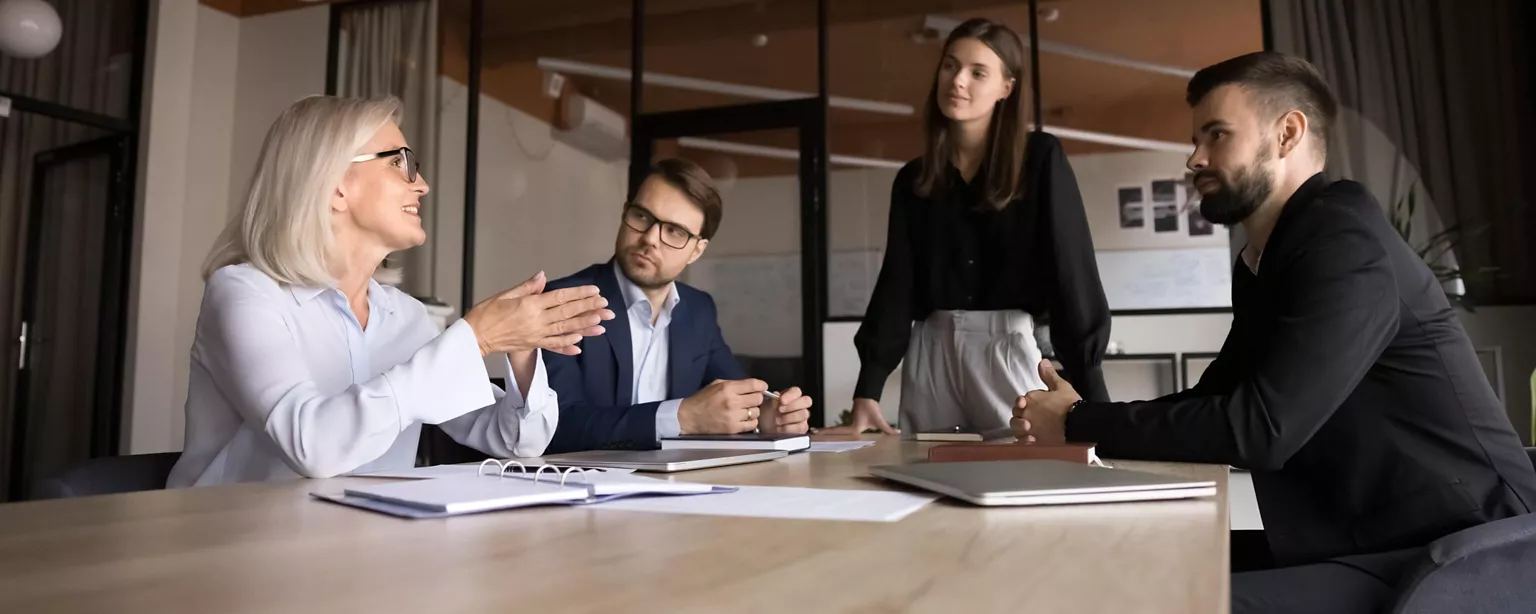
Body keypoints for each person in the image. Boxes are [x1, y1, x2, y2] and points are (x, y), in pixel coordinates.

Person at [1013, 52, 1536, 613]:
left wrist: (1075, 421)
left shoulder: (1343, 240)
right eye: (1195, 138)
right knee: (1143, 562)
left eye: (1216, 135)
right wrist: (1081, 425)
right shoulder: (1268, 258)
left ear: (1287, 133)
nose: (1195, 158)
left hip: (1460, 550)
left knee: (1176, 600)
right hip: (1362, 532)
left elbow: (1260, 428)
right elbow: (1215, 400)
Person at [167, 96, 614, 487]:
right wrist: (475, 339)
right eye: (399, 162)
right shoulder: (245, 293)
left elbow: (518, 442)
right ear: (336, 186)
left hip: (366, 555)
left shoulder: (406, 317)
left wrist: (519, 351)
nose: (421, 184)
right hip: (231, 560)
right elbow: (313, 446)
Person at [822, 17, 1109, 438]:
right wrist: (869, 388)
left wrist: (1093, 394)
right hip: (931, 351)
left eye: (978, 72)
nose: (958, 80)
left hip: (1005, 349)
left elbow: (1073, 270)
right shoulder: (914, 180)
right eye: (950, 66)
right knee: (923, 477)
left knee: (1030, 474)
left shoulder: (1040, 159)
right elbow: (896, 285)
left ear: (1005, 88)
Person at [542, 158, 814, 453]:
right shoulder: (563, 300)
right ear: (625, 213)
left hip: (680, 484)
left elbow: (737, 394)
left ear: (697, 249)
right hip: (585, 482)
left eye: (675, 232)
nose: (649, 239)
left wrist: (765, 417)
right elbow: (553, 426)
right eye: (642, 216)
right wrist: (680, 417)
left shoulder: (698, 310)